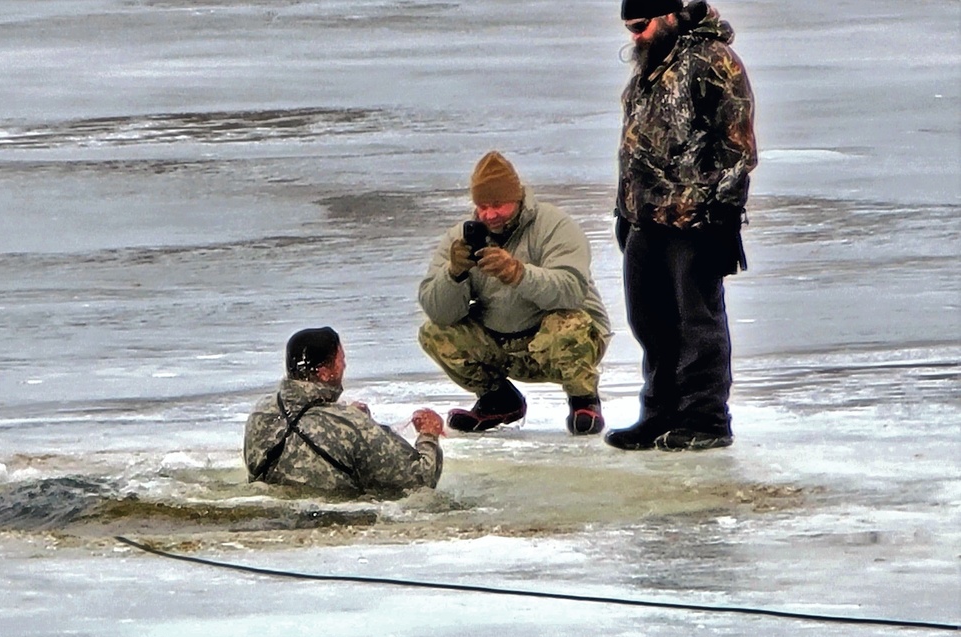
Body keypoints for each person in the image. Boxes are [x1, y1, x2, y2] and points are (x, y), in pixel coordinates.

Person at [606, 0, 757, 451]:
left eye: (641, 25)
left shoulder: (715, 62)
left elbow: (738, 149)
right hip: (643, 217)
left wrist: (723, 218)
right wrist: (623, 210)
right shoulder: (651, 66)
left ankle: (706, 418)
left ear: (668, 15)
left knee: (697, 321)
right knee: (649, 320)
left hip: (695, 220)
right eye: (629, 28)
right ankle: (659, 413)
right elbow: (635, 146)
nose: (635, 36)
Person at [418, 150, 612, 435]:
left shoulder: (554, 225)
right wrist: (454, 274)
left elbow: (572, 291)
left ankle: (583, 399)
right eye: (482, 207)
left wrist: (518, 274)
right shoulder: (460, 238)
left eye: (497, 205)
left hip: (563, 341)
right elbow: (438, 311)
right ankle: (498, 399)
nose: (489, 215)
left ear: (517, 199)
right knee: (434, 332)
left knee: (567, 326)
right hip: (503, 344)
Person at [244, 327, 444, 495]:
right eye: (341, 360)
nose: (345, 365)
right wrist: (429, 435)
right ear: (323, 373)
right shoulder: (350, 424)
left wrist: (348, 420)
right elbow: (419, 482)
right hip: (334, 523)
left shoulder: (260, 414)